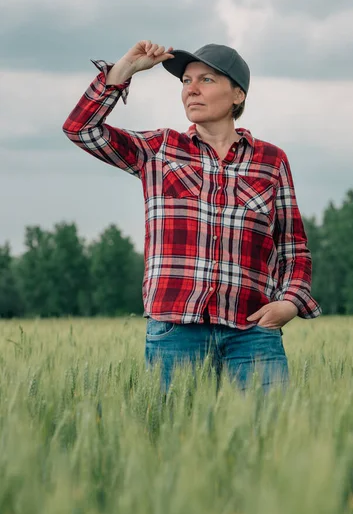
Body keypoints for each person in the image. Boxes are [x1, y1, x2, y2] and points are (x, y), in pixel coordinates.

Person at [63, 40, 322, 394]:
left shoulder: (271, 161)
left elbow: (292, 245)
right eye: (186, 81)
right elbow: (81, 129)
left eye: (207, 80)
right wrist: (122, 72)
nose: (192, 90)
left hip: (252, 331)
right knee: (177, 440)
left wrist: (291, 301)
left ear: (237, 95)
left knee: (272, 437)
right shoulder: (159, 150)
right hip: (175, 331)